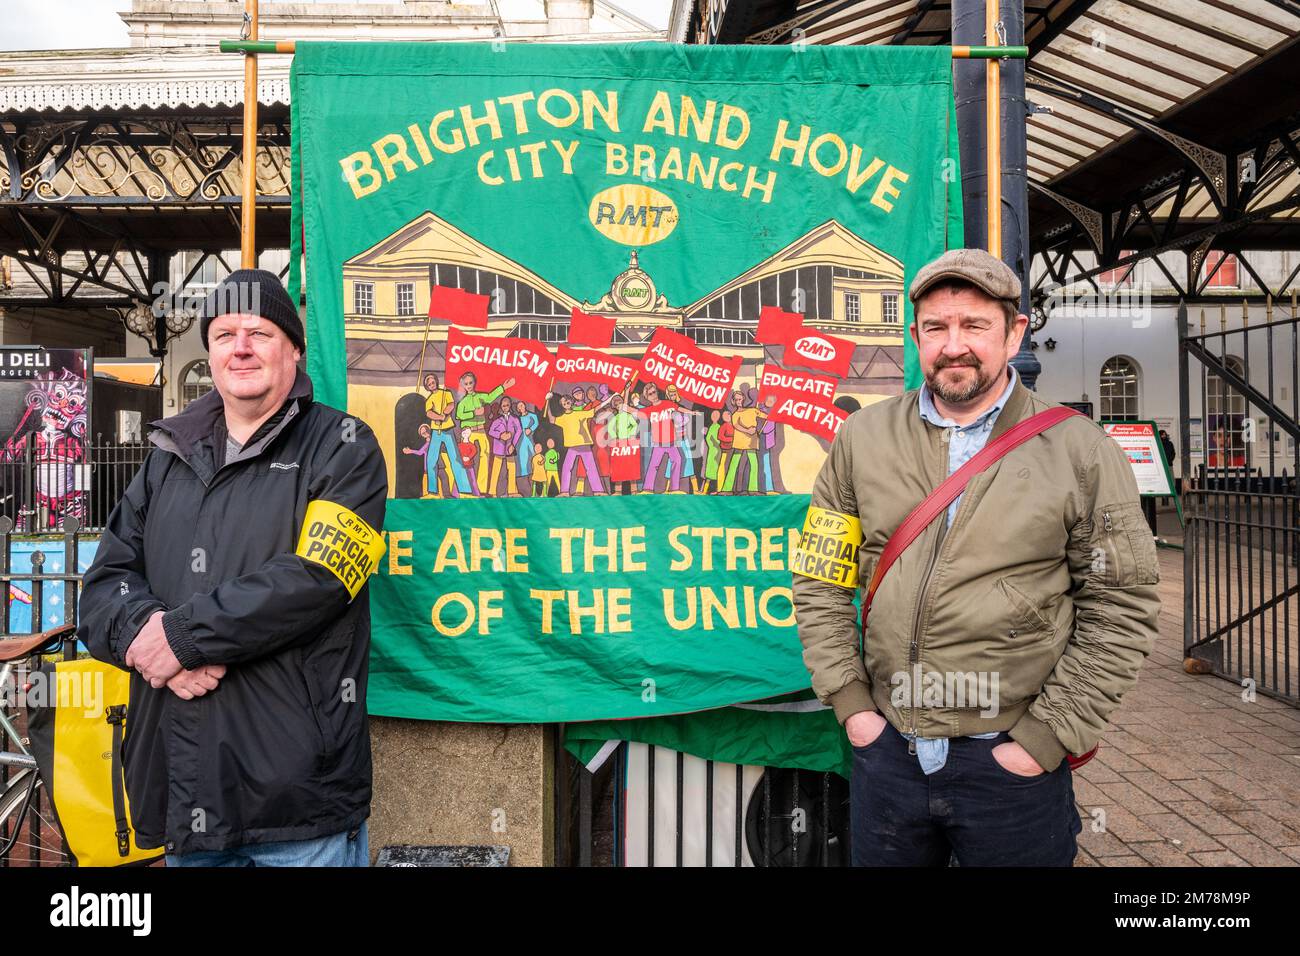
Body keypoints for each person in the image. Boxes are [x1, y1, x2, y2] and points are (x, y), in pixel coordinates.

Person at [791, 248, 1160, 867]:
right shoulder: (862, 437)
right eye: (936, 327)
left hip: (1009, 763)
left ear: (1014, 332)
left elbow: (1120, 605)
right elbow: (821, 577)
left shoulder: (1079, 449)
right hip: (889, 755)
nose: (953, 345)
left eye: (974, 326)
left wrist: (1043, 739)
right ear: (915, 337)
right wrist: (854, 708)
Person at [78, 269, 388, 866]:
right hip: (184, 786)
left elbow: (318, 579)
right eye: (224, 334)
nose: (240, 347)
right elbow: (104, 585)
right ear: (212, 353)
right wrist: (147, 634)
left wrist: (182, 639)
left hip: (298, 804)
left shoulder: (344, 446)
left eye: (259, 332)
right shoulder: (167, 457)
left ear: (294, 349)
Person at [421, 372, 474, 498]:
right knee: (431, 460)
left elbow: (451, 405)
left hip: (448, 430)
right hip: (436, 431)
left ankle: (465, 490)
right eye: (429, 384)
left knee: (455, 458)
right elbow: (429, 413)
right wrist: (439, 416)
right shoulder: (429, 400)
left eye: (433, 382)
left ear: (436, 382)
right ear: (427, 387)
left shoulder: (446, 393)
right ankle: (432, 492)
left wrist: (444, 413)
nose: (432, 385)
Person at [487, 395, 522, 497]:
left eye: (507, 405)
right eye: (503, 405)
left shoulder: (514, 419)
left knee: (511, 469)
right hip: (499, 449)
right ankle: (492, 492)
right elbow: (491, 431)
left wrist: (513, 444)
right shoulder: (498, 420)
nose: (505, 407)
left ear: (510, 405)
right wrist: (500, 435)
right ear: (501, 407)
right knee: (496, 470)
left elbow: (519, 431)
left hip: (509, 449)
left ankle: (512, 492)